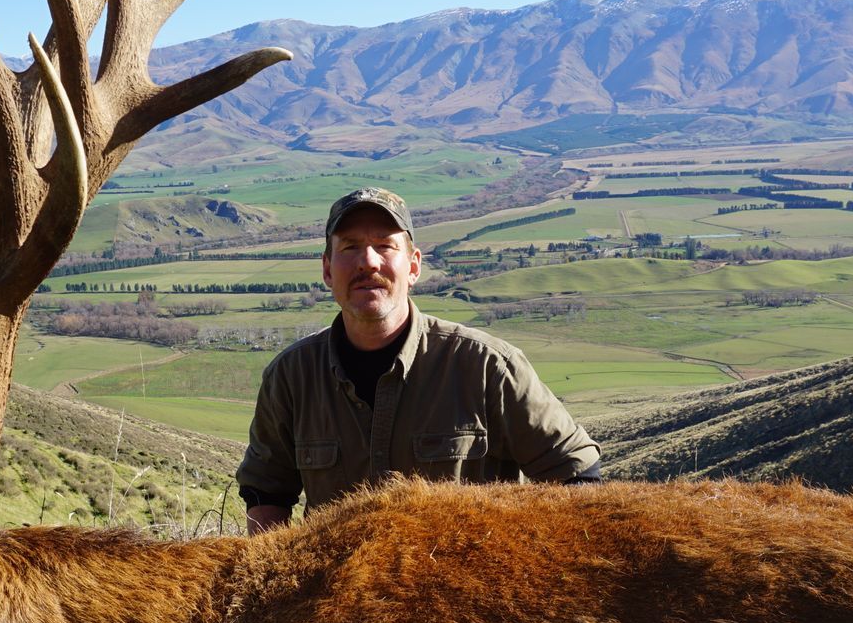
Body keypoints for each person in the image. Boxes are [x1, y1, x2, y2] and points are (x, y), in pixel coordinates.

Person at [237, 186, 601, 534]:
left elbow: (577, 473)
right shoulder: (291, 377)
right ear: (328, 269)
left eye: (385, 245)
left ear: (413, 267)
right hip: (338, 596)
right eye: (350, 247)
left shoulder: (488, 366)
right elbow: (266, 491)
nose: (368, 261)